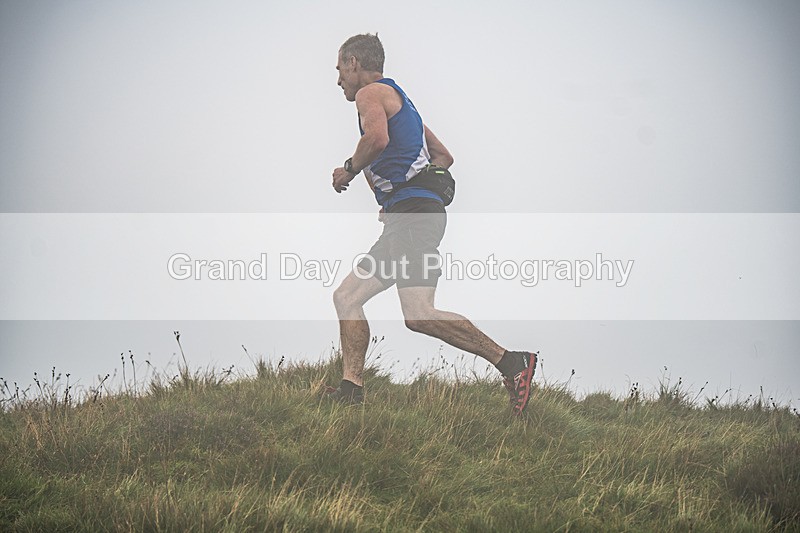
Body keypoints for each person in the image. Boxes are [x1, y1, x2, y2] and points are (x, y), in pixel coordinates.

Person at [328, 33, 537, 415]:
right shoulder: (403, 102)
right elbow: (443, 156)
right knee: (348, 297)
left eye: (339, 68)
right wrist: (402, 195)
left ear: (354, 63)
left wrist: (349, 171)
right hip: (408, 218)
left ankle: (512, 363)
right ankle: (351, 389)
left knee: (419, 313)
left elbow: (375, 138)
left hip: (413, 219)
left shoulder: (370, 94)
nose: (338, 78)